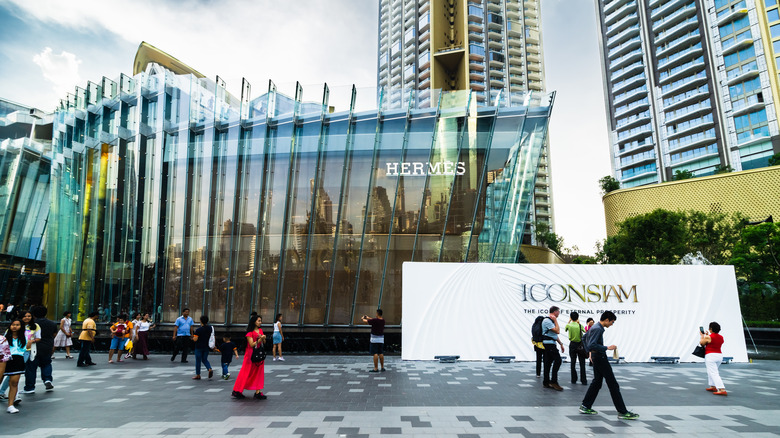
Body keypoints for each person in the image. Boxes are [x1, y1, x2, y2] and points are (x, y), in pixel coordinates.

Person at [579, 311, 639, 420]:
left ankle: (585, 405)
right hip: (601, 358)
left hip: (597, 357)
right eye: (612, 322)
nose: (612, 324)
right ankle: (622, 411)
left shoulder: (595, 327)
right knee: (613, 384)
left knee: (597, 382)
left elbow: (584, 338)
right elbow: (592, 344)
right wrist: (607, 348)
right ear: (606, 319)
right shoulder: (598, 328)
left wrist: (590, 353)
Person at [231, 315, 267, 400]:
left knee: (259, 372)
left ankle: (258, 392)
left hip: (259, 354)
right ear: (254, 322)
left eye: (260, 321)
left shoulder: (260, 330)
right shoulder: (249, 333)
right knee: (245, 372)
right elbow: (251, 344)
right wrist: (260, 339)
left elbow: (264, 342)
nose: (260, 322)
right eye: (259, 321)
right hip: (250, 355)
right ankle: (237, 390)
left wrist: (263, 338)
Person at [3, 319, 27, 413]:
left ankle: (10, 405)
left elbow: (24, 349)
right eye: (13, 324)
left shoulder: (24, 337)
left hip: (18, 360)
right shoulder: (5, 337)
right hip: (5, 359)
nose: (15, 326)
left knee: (14, 382)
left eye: (17, 325)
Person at [542, 306, 565, 391]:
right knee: (558, 360)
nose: (559, 313)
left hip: (550, 343)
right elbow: (557, 331)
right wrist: (555, 321)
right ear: (555, 312)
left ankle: (546, 382)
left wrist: (561, 344)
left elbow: (553, 335)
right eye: (558, 311)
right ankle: (554, 381)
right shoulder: (547, 320)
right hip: (549, 345)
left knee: (548, 363)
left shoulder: (549, 320)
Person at [701, 321, 727, 396]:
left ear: (711, 329)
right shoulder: (721, 337)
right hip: (719, 355)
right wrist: (707, 336)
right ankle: (713, 386)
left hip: (710, 355)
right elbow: (714, 341)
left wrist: (702, 336)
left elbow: (702, 343)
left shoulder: (709, 337)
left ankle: (721, 389)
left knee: (713, 372)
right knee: (711, 371)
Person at [565, 311, 587, 385]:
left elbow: (565, 329)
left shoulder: (569, 325)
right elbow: (585, 331)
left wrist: (569, 320)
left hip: (572, 345)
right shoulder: (580, 325)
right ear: (578, 318)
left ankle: (573, 379)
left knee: (573, 362)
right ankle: (583, 380)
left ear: (571, 317)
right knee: (582, 363)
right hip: (580, 345)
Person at [192, 315, 214, 380]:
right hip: (206, 346)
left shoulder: (198, 330)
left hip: (199, 347)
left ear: (201, 321)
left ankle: (198, 375)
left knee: (198, 361)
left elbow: (195, 339)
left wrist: (192, 338)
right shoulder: (210, 328)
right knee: (204, 359)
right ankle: (209, 368)